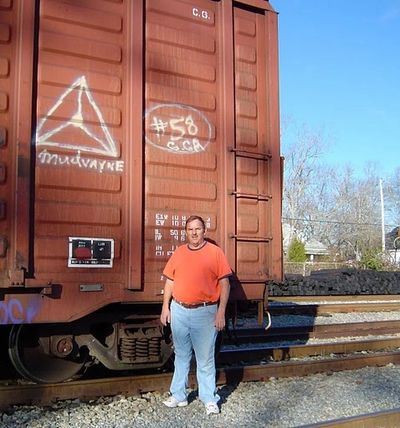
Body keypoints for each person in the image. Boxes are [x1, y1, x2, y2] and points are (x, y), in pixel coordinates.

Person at [160, 215, 232, 415]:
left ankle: (209, 399)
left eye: (198, 229)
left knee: (205, 359)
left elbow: (225, 284)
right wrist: (166, 307)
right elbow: (170, 282)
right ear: (186, 232)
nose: (194, 232)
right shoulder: (179, 253)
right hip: (180, 311)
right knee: (181, 356)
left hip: (205, 312)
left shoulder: (215, 253)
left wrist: (221, 312)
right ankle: (178, 396)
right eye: (190, 229)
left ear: (204, 231)